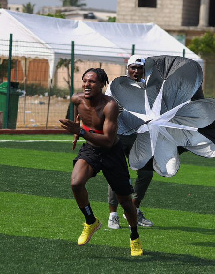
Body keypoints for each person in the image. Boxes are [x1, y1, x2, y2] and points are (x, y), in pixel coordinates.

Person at [59, 67, 143, 257]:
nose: (87, 85)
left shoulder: (110, 106)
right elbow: (78, 116)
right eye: (85, 81)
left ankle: (134, 236)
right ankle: (91, 221)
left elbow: (107, 140)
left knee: (125, 202)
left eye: (92, 82)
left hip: (112, 152)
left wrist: (80, 132)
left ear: (102, 85)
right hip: (90, 149)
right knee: (76, 183)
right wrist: (76, 129)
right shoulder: (76, 99)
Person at [105, 55, 154, 229]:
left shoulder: (148, 88)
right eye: (133, 67)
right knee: (117, 175)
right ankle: (113, 214)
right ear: (128, 68)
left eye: (139, 68)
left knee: (146, 173)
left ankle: (133, 210)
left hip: (141, 135)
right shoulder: (116, 85)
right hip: (119, 135)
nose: (136, 71)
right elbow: (105, 105)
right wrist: (112, 110)